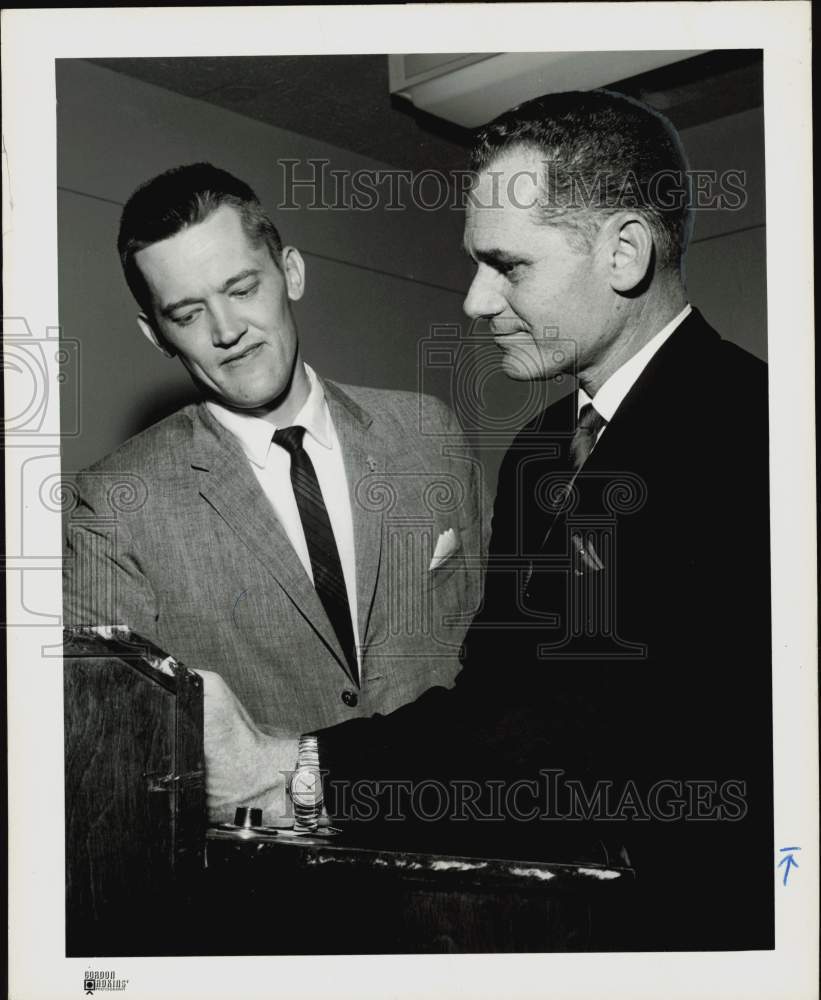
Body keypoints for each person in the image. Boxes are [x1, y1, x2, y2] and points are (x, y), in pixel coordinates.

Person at [306, 90, 773, 950]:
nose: (474, 302)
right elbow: (493, 696)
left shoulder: (764, 431)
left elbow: (594, 724)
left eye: (508, 266)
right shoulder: (537, 451)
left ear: (623, 251)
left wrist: (308, 770)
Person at [62, 163, 488, 823]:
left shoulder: (426, 432)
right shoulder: (112, 505)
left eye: (241, 287)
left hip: (462, 847)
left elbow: (492, 663)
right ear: (154, 333)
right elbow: (113, 756)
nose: (226, 329)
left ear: (290, 272)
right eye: (186, 312)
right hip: (268, 895)